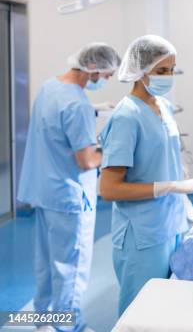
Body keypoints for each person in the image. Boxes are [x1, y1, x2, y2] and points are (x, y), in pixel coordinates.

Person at [98, 35, 193, 316]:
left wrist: (187, 206)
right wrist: (173, 187)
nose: (168, 77)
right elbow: (108, 189)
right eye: (161, 71)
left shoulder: (163, 107)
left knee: (167, 306)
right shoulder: (126, 117)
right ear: (139, 71)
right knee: (141, 312)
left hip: (171, 223)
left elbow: (167, 160)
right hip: (142, 235)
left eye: (171, 70)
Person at [17, 43, 121, 332]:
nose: (107, 81)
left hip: (43, 192)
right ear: (95, 69)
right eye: (108, 75)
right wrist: (113, 154)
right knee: (70, 268)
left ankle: (44, 322)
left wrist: (93, 110)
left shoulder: (51, 87)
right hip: (68, 198)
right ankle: (69, 326)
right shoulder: (77, 105)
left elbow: (56, 119)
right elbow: (87, 160)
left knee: (47, 265)